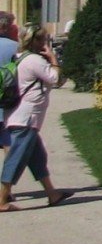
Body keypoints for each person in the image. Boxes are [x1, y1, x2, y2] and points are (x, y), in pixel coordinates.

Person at [0, 29, 69, 211]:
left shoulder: (20, 57)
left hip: (18, 116)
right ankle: (1, 200)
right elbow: (54, 78)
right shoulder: (33, 60)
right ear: (37, 41)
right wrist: (53, 60)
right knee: (15, 159)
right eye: (44, 39)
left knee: (37, 157)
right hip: (26, 118)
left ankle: (52, 193)